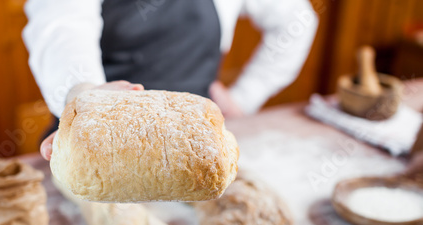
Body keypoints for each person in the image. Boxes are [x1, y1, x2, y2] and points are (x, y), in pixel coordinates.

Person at [23, 0, 318, 160]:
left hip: (193, 149)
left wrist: (246, 96)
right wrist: (85, 93)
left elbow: (297, 20)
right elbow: (60, 26)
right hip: (98, 146)